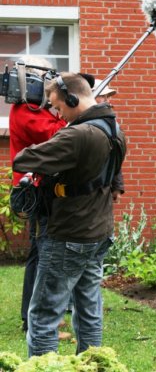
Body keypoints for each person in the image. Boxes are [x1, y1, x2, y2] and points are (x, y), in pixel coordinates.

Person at [13, 72, 126, 356]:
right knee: (89, 308)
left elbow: (23, 159)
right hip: (98, 231)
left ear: (72, 98)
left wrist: (54, 147)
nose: (57, 113)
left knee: (43, 315)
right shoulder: (114, 129)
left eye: (58, 106)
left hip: (68, 233)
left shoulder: (77, 134)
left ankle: (41, 366)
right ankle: (91, 363)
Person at [8, 55, 67, 334]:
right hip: (35, 192)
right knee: (43, 252)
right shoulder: (27, 112)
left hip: (38, 189)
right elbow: (59, 134)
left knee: (41, 250)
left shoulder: (33, 109)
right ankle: (37, 318)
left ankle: (36, 315)